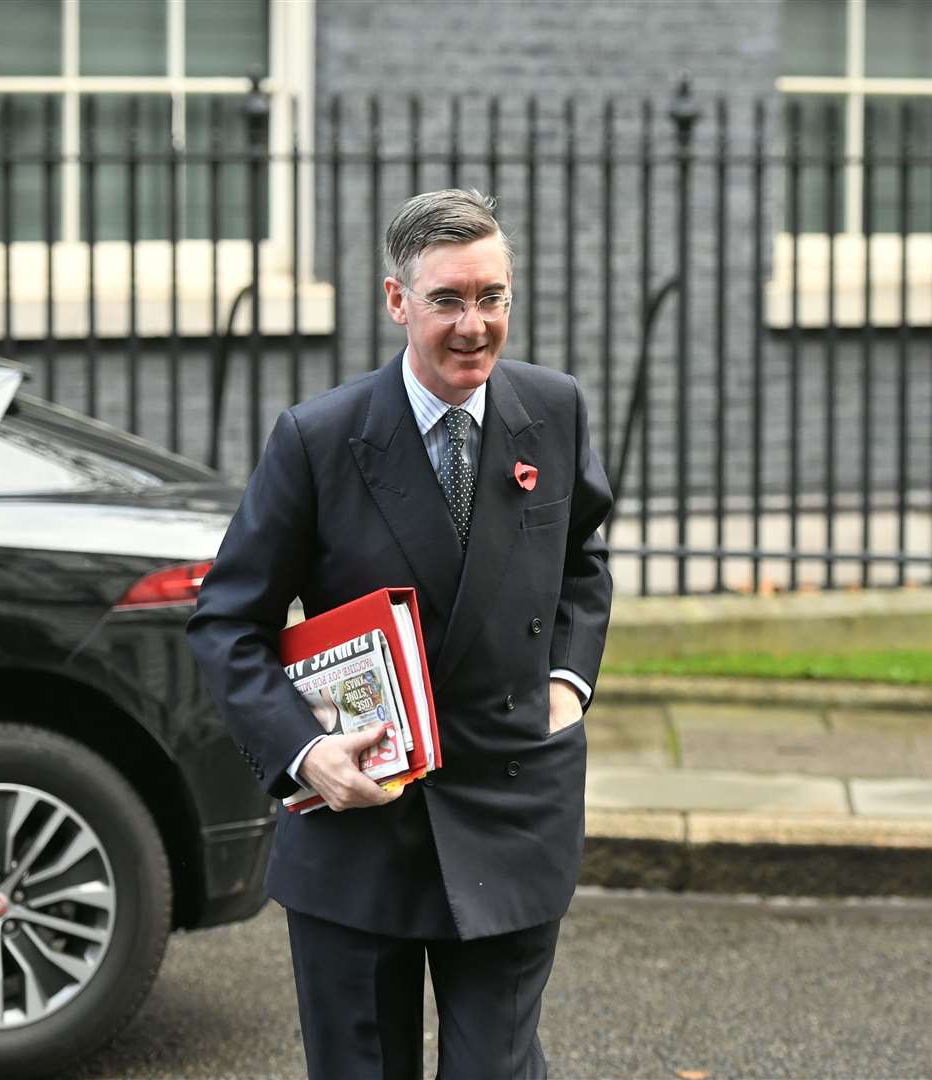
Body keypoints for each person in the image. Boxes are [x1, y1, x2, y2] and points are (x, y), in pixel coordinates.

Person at [186, 188, 613, 1079]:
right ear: (397, 301)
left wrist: (568, 686)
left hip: (511, 805)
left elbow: (580, 565)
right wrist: (306, 754)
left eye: (491, 297)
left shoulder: (556, 410)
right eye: (448, 300)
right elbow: (229, 619)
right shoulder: (320, 438)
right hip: (362, 825)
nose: (474, 325)